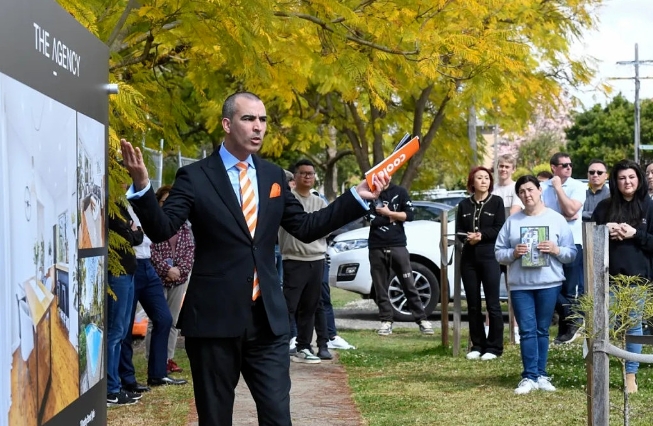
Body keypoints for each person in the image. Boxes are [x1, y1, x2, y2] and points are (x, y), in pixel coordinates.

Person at [120, 91, 386, 426]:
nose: (258, 127)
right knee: (215, 419)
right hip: (215, 320)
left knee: (277, 416)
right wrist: (143, 186)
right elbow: (162, 229)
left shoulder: (273, 175)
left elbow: (305, 226)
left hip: (267, 321)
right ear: (227, 124)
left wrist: (355, 197)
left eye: (262, 120)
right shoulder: (196, 176)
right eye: (249, 119)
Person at [495, 175, 577, 395]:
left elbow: (571, 253)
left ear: (540, 190)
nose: (526, 195)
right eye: (521, 192)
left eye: (530, 190)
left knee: (542, 329)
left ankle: (541, 374)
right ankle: (529, 376)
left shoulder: (556, 219)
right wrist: (513, 253)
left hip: (548, 283)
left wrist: (555, 249)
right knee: (527, 330)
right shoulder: (512, 222)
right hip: (521, 285)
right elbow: (498, 253)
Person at [591, 160, 653, 394]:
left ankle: (630, 375)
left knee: (633, 326)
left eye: (631, 177)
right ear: (615, 182)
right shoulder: (604, 207)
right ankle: (600, 372)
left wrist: (635, 233)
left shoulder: (649, 206)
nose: (627, 182)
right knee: (604, 325)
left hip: (637, 279)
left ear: (639, 179)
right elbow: (591, 240)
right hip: (607, 278)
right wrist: (605, 230)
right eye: (622, 178)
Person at [120, 207, 187, 391]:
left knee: (164, 318)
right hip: (129, 262)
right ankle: (127, 379)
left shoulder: (144, 204)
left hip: (147, 264)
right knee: (125, 325)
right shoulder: (121, 203)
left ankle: (158, 374)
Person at [279, 159, 331, 363]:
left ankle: (304, 345)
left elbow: (327, 227)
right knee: (288, 306)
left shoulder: (319, 201)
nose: (307, 176)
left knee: (310, 306)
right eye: (303, 173)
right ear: (295, 176)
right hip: (294, 259)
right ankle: (281, 346)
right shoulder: (287, 199)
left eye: (311, 173)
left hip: (316, 259)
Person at [368, 178, 433, 336]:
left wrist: (389, 214)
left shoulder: (400, 192)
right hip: (376, 245)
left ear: (390, 176)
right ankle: (386, 321)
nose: (381, 180)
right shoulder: (370, 194)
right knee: (380, 286)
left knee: (408, 282)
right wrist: (392, 218)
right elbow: (370, 219)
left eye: (385, 176)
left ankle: (422, 319)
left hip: (398, 245)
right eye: (377, 176)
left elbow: (410, 215)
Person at [456, 166, 506, 360]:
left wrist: (482, 236)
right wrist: (467, 239)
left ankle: (494, 347)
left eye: (486, 178)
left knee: (493, 303)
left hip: (490, 256)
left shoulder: (497, 202)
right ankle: (477, 344)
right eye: (479, 178)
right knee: (473, 303)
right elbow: (459, 230)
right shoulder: (464, 205)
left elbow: (499, 227)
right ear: (472, 182)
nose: (484, 181)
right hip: (469, 257)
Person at [147, 185, 195, 374]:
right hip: (157, 277)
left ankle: (168, 359)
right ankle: (154, 359)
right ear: (158, 203)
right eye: (164, 202)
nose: (169, 205)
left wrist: (179, 271)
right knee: (156, 320)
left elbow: (190, 251)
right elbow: (149, 251)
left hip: (179, 279)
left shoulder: (185, 226)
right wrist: (166, 269)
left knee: (173, 320)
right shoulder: (152, 223)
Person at [541, 152, 586, 344]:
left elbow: (570, 211)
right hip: (548, 243)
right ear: (554, 168)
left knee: (568, 288)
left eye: (570, 164)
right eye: (564, 165)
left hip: (572, 242)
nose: (568, 167)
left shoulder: (577, 186)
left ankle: (564, 331)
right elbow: (540, 214)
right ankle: (574, 318)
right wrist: (563, 215)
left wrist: (559, 189)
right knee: (550, 285)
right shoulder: (542, 187)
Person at [107, 202, 144, 406]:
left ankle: (116, 384)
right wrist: (132, 231)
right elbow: (128, 237)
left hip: (128, 271)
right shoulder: (111, 207)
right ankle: (111, 389)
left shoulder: (122, 205)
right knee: (115, 331)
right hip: (117, 273)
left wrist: (133, 232)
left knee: (121, 332)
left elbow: (137, 237)